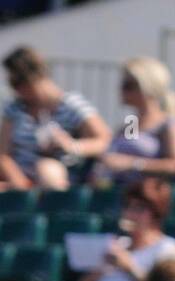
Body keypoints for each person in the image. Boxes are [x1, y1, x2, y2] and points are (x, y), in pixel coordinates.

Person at [0, 45, 110, 190]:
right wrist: (20, 182)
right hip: (19, 182)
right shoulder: (15, 109)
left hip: (56, 178)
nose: (17, 89)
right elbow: (3, 153)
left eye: (19, 83)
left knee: (47, 170)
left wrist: (72, 145)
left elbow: (104, 139)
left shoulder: (71, 105)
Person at [90, 57, 175, 185]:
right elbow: (126, 148)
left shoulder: (168, 124)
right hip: (120, 191)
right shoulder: (131, 123)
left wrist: (133, 164)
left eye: (129, 85)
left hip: (145, 196)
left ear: (146, 87)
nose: (121, 90)